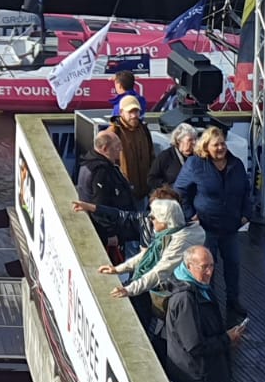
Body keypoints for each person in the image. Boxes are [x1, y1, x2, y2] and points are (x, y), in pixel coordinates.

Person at [174, 126, 252, 323]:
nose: (220, 148)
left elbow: (246, 190)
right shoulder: (195, 164)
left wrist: (246, 214)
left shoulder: (236, 164)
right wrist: (190, 214)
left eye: (223, 144)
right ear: (206, 146)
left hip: (230, 227)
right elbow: (180, 190)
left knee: (233, 265)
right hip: (205, 228)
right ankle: (208, 304)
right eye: (216, 145)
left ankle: (233, 301)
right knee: (208, 267)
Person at [97, 191, 204, 328]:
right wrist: (117, 269)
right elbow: (147, 255)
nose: (150, 219)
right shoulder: (167, 235)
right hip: (165, 292)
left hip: (181, 297)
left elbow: (160, 270)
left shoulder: (181, 240)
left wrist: (130, 290)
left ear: (165, 221)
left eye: (153, 217)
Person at [164, 246, 242, 382]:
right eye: (204, 267)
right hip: (195, 377)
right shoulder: (186, 299)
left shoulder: (199, 289)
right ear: (189, 266)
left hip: (200, 374)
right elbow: (194, 345)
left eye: (212, 266)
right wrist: (227, 339)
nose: (209, 272)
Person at [76, 128, 138, 259]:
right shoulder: (100, 172)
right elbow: (99, 204)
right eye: (117, 146)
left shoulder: (92, 163)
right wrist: (110, 233)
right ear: (104, 148)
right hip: (111, 232)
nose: (120, 149)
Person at [112, 96, 154, 202]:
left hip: (144, 191)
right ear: (121, 112)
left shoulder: (144, 129)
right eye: (130, 112)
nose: (134, 116)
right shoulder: (114, 132)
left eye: (136, 112)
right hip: (123, 193)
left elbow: (152, 156)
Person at [149, 123, 199, 193]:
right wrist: (168, 187)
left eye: (195, 139)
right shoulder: (165, 156)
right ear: (179, 140)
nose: (194, 142)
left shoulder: (197, 157)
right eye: (190, 140)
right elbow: (152, 179)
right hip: (173, 197)